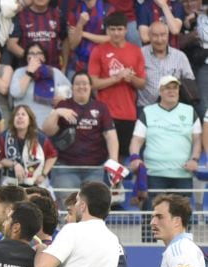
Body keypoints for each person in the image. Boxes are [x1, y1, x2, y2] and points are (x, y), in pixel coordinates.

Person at [42, 71, 119, 199]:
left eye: (85, 83)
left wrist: (114, 161)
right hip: (65, 167)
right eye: (77, 83)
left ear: (90, 87)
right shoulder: (63, 105)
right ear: (72, 87)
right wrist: (56, 113)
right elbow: (47, 130)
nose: (81, 86)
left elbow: (110, 135)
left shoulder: (101, 107)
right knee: (67, 206)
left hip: (95, 168)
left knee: (93, 207)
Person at [129, 75, 200, 208]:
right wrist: (134, 157)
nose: (172, 91)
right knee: (151, 221)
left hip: (182, 175)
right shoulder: (147, 112)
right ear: (160, 91)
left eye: (175, 88)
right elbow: (136, 140)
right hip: (153, 174)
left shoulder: (190, 111)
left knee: (180, 220)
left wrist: (195, 160)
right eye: (167, 88)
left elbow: (197, 140)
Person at [89, 10, 146, 157]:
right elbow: (93, 83)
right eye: (112, 29)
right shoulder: (98, 50)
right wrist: (117, 78)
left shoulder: (136, 51)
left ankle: (118, 181)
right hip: (105, 113)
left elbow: (142, 83)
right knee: (103, 155)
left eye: (120, 29)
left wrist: (131, 78)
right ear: (106, 30)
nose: (116, 33)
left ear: (126, 29)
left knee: (122, 157)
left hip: (128, 113)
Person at [9, 43, 72, 128]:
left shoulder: (54, 72)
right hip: (24, 125)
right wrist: (29, 72)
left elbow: (71, 93)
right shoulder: (19, 72)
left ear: (44, 57)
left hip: (47, 126)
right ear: (26, 57)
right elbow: (16, 93)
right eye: (31, 53)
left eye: (38, 53)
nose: (35, 56)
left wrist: (63, 99)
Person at [0, 105, 57, 188]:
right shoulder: (5, 136)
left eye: (23, 114)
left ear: (30, 120)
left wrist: (43, 174)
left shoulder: (40, 137)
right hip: (11, 182)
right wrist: (14, 164)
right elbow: (0, 159)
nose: (20, 117)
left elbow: (52, 156)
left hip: (35, 183)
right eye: (17, 115)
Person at [6, 0, 66, 68]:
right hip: (27, 70)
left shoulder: (58, 15)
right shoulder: (21, 15)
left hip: (53, 70)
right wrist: (30, 57)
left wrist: (64, 67)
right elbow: (11, 45)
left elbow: (66, 40)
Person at [67, 0, 110, 76]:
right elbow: (73, 45)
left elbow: (111, 39)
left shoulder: (108, 9)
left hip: (102, 64)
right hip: (77, 65)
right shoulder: (74, 11)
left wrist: (82, 33)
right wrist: (80, 24)